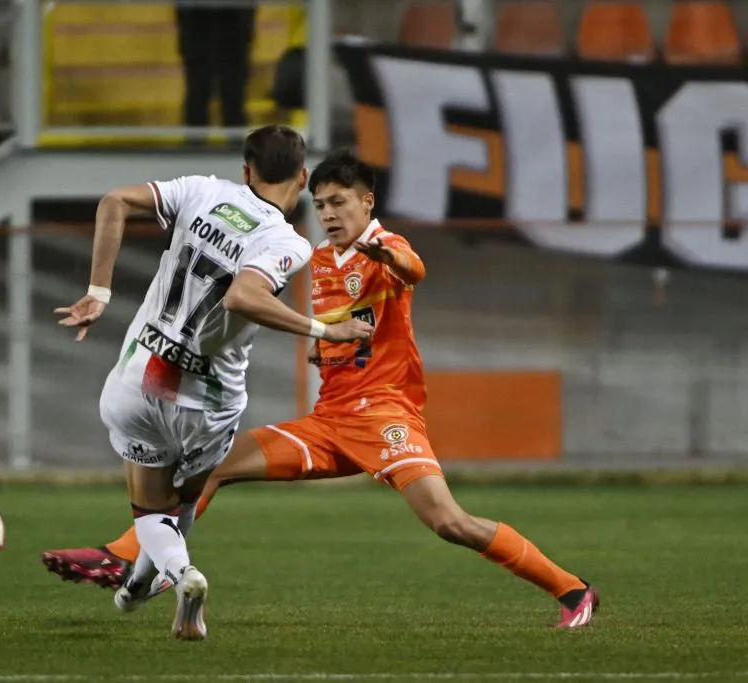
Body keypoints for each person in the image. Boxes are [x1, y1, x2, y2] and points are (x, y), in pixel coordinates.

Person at [44, 150, 600, 630]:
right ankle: (135, 561)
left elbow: (413, 270)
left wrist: (388, 256)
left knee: (449, 523)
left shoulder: (383, 246)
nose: (329, 213)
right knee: (210, 468)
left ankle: (573, 591)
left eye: (340, 202)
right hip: (330, 421)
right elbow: (346, 327)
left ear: (367, 203)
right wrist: (323, 348)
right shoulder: (321, 260)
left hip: (384, 418)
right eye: (322, 204)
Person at [53, 128, 374, 640]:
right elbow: (243, 296)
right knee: (183, 503)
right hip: (208, 400)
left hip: (142, 376)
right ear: (302, 178)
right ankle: (158, 581)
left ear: (246, 171)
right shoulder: (288, 242)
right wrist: (323, 329)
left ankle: (168, 578)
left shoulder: (200, 190)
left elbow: (114, 201)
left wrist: (99, 291)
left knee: (150, 509)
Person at [175, 0, 257, 129]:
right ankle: (195, 138)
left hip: (233, 28)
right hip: (198, 27)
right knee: (198, 96)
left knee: (233, 98)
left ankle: (235, 137)